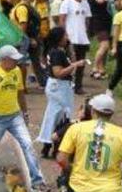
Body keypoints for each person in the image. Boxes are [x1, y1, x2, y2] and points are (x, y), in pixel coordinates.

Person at [0, 45, 47, 190]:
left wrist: (25, 113)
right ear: (5, 60)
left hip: (14, 117)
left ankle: (37, 181)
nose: (16, 62)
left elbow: (20, 94)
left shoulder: (17, 71)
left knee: (28, 145)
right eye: (13, 59)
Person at [36, 27, 86, 157]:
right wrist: (75, 65)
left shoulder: (59, 51)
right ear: (59, 38)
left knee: (56, 115)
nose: (67, 38)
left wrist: (71, 51)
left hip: (60, 87)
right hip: (59, 87)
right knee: (60, 116)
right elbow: (58, 73)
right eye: (65, 36)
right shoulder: (57, 53)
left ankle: (50, 146)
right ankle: (53, 146)